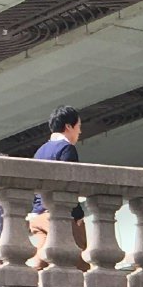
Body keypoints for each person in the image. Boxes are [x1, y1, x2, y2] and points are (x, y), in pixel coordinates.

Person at [31, 106, 85, 256]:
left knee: (41, 261)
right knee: (78, 258)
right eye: (78, 126)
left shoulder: (40, 151)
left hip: (38, 215)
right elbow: (68, 185)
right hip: (60, 215)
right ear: (68, 126)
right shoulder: (67, 149)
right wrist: (78, 214)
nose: (80, 132)